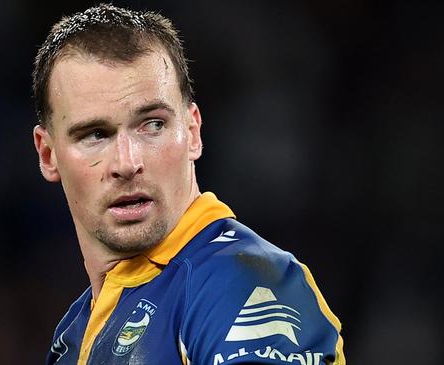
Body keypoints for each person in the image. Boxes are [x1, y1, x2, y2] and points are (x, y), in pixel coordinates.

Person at [32, 4, 345, 365]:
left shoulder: (243, 284)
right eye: (95, 135)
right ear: (48, 154)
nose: (127, 163)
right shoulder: (73, 335)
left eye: (152, 125)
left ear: (193, 132)